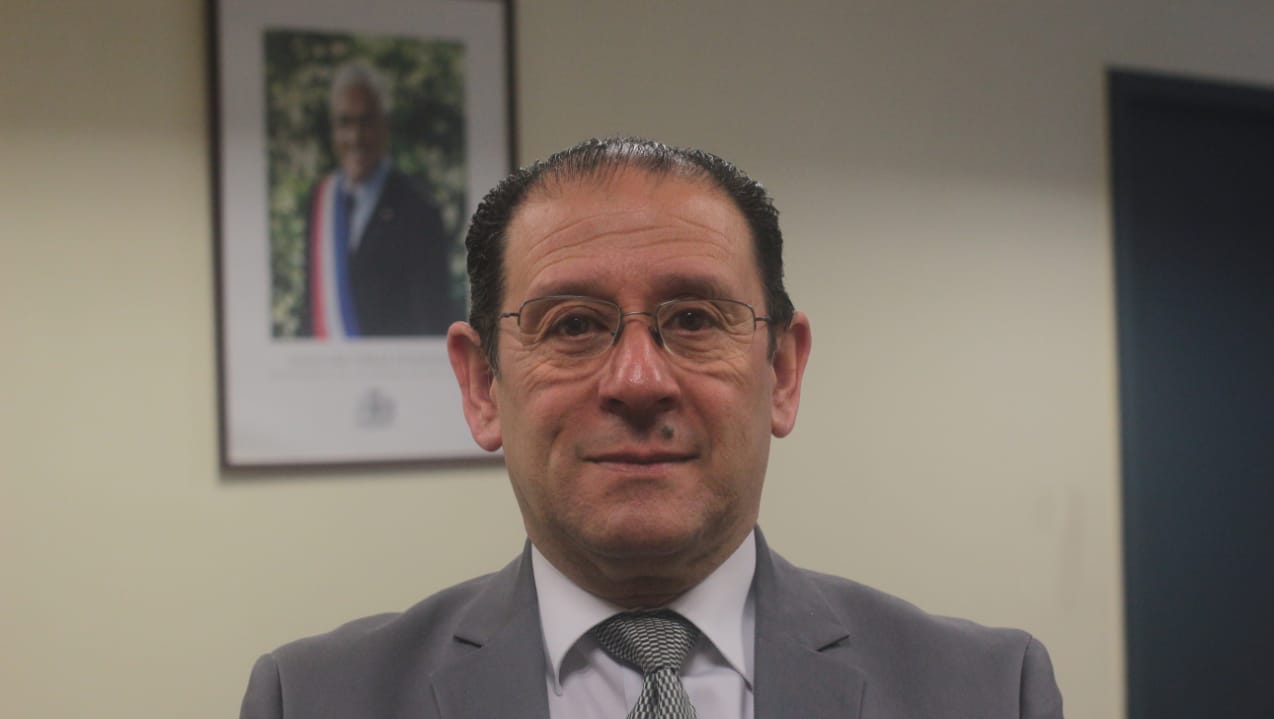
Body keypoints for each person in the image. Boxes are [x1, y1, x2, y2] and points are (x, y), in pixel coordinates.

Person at [241, 137, 1065, 718]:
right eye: (572, 325)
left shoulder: (990, 693)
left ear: (782, 371)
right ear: (482, 384)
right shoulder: (314, 699)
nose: (638, 381)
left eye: (695, 318)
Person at [297, 61, 460, 338]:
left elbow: (430, 325)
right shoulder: (320, 201)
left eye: (366, 122)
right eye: (345, 123)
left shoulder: (419, 210)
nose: (355, 137)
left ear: (386, 126)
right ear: (333, 129)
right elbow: (310, 310)